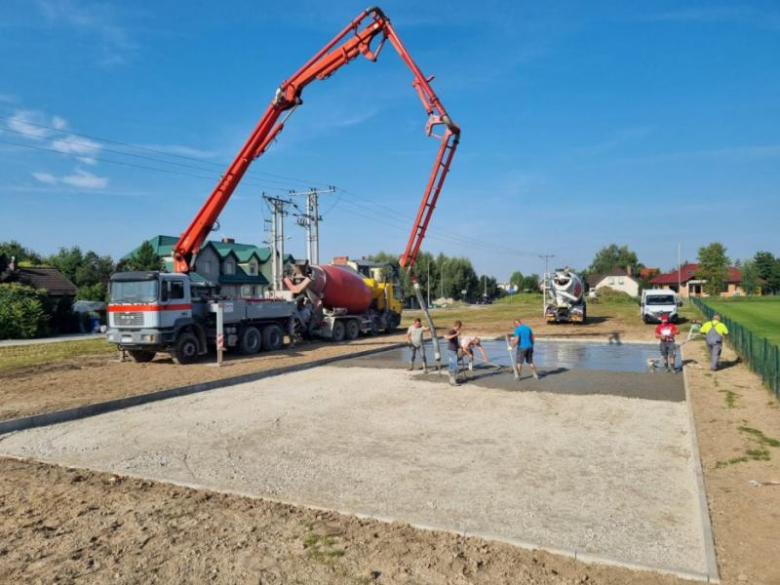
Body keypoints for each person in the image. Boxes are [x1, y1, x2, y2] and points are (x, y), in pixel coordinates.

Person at [443, 320, 463, 386]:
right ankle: (452, 381)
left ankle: (452, 379)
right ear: (457, 326)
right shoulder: (452, 331)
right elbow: (447, 337)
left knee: (452, 364)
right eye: (459, 327)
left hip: (453, 350)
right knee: (454, 365)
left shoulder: (454, 331)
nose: (460, 328)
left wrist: (460, 347)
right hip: (451, 350)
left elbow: (455, 342)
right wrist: (456, 334)